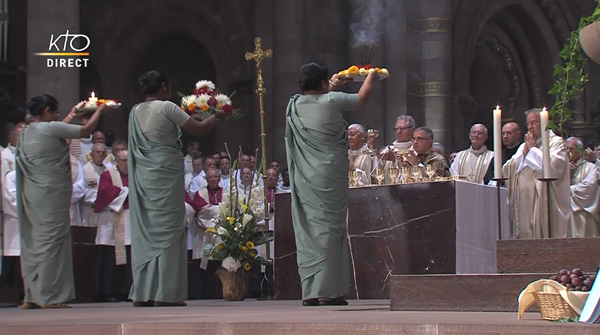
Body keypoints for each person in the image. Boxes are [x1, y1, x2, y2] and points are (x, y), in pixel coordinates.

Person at [127, 70, 225, 307]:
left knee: (149, 231)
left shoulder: (134, 111)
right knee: (169, 230)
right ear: (163, 86)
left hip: (144, 177)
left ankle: (144, 291)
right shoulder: (166, 107)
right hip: (165, 176)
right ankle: (165, 293)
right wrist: (218, 115)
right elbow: (198, 129)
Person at [285, 61, 377, 306]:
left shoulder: (294, 104)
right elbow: (361, 99)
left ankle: (311, 291)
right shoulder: (332, 100)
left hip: (305, 175)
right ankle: (328, 291)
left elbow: (320, 96)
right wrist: (372, 76)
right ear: (324, 83)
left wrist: (333, 83)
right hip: (328, 174)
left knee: (309, 229)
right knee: (330, 228)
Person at [16, 94, 110, 309]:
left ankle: (32, 295)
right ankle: (49, 296)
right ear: (47, 110)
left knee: (35, 242)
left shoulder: (29, 131)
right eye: (56, 111)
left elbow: (56, 128)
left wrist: (71, 115)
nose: (58, 115)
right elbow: (85, 131)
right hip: (50, 195)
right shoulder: (49, 128)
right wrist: (99, 112)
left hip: (33, 194)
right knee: (52, 242)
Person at [502, 108, 571, 239]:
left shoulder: (556, 143)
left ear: (545, 122)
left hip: (545, 202)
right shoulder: (524, 145)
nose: (530, 127)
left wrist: (533, 150)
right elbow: (507, 168)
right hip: (525, 203)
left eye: (534, 123)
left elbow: (553, 169)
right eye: (528, 124)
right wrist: (524, 153)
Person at [93, 149, 132, 302]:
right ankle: (106, 291)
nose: (127, 164)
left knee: (128, 254)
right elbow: (105, 193)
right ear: (117, 161)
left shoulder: (137, 175)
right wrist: (126, 192)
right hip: (110, 221)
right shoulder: (108, 175)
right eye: (124, 160)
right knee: (109, 256)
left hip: (129, 221)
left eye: (129, 160)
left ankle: (127, 290)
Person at [566, 137, 600, 237]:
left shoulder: (591, 168)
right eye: (566, 149)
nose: (568, 152)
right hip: (565, 215)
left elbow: (588, 188)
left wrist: (565, 190)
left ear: (580, 150)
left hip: (583, 216)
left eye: (571, 149)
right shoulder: (559, 168)